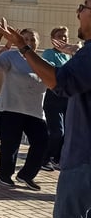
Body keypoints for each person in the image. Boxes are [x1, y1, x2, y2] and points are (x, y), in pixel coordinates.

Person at [0, 0, 91, 218]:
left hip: (84, 156)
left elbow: (58, 82)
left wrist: (24, 49)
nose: (78, 12)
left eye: (84, 6)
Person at [0, 28, 47, 190]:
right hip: (11, 108)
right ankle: (4, 175)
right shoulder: (11, 56)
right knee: (11, 144)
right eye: (25, 39)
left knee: (43, 142)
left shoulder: (41, 61)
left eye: (32, 40)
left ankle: (26, 175)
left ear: (38, 43)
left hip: (35, 111)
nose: (29, 43)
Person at [41, 26, 71, 171]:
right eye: (60, 36)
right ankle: (44, 158)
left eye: (65, 36)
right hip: (53, 96)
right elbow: (51, 71)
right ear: (53, 39)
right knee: (57, 131)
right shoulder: (49, 53)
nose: (63, 39)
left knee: (67, 131)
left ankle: (57, 158)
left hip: (68, 97)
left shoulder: (69, 56)